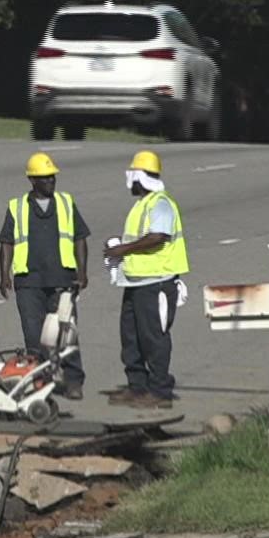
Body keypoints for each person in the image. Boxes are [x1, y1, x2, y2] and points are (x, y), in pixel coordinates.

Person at [0, 152, 91, 400]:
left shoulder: (66, 203)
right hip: (29, 282)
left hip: (63, 280)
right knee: (33, 336)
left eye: (52, 177)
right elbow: (6, 243)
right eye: (45, 178)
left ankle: (73, 382)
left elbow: (80, 238)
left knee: (67, 333)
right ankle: (40, 382)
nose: (51, 181)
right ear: (32, 180)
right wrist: (4, 276)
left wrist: (82, 272)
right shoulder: (16, 207)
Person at [102, 150, 187, 409]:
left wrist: (122, 250)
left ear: (138, 177)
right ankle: (136, 387)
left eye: (132, 176)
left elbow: (157, 236)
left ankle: (160, 392)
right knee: (131, 338)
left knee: (154, 339)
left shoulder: (160, 203)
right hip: (136, 282)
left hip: (156, 283)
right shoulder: (143, 204)